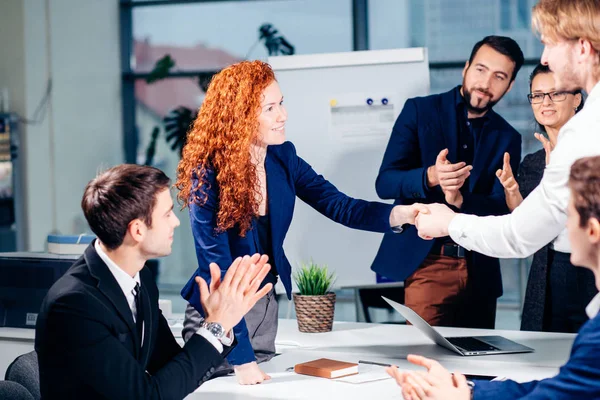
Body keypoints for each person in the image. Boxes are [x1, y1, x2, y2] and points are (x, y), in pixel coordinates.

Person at [176, 60, 427, 385]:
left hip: (264, 309)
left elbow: (339, 205)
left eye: (281, 103)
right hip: (218, 319)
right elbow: (218, 269)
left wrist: (399, 215)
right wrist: (242, 359)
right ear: (239, 115)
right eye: (270, 108)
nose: (283, 115)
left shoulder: (283, 158)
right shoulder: (207, 175)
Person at [35, 164, 273, 400]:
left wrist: (222, 320)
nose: (175, 222)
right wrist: (215, 327)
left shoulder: (141, 278)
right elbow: (147, 396)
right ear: (137, 230)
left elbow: (170, 368)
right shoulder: (74, 305)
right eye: (167, 214)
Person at [388, 155, 600, 399]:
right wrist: (468, 391)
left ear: (592, 231)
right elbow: (557, 386)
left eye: (567, 217)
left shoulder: (595, 338)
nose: (559, 227)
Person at [414, 0, 600, 275]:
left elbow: (519, 235)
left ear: (582, 48)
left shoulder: (586, 129)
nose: (545, 58)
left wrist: (449, 223)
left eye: (549, 44)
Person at [370, 35, 523, 328]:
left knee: (479, 366)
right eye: (480, 70)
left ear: (509, 85)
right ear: (465, 68)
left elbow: (501, 207)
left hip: (481, 264)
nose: (486, 82)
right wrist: (430, 176)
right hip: (429, 262)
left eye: (499, 76)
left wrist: (460, 201)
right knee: (422, 359)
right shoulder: (420, 111)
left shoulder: (508, 137)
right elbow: (385, 182)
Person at [496, 63, 596, 333]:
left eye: (556, 93)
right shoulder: (533, 162)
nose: (546, 102)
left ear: (577, 99)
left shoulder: (592, 152)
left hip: (590, 267)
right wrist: (513, 192)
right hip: (548, 270)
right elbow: (525, 220)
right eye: (538, 95)